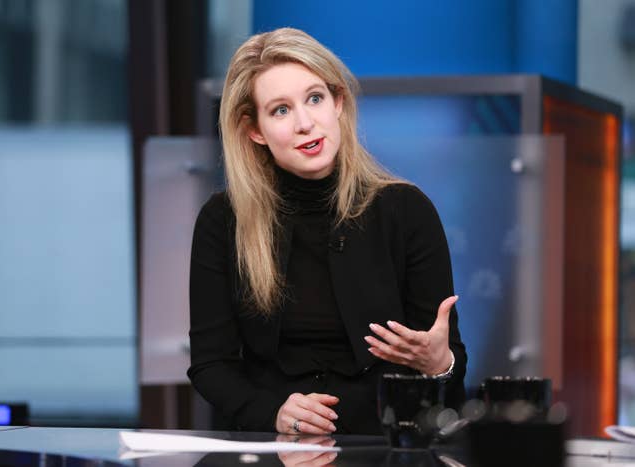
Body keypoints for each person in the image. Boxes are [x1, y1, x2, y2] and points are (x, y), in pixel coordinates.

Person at [187, 27, 466, 435]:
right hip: (274, 448)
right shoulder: (222, 221)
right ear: (255, 129)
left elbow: (452, 373)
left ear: (338, 102)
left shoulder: (407, 211)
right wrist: (272, 413)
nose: (305, 123)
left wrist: (439, 363)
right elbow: (211, 365)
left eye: (314, 98)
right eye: (280, 110)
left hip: (384, 446)